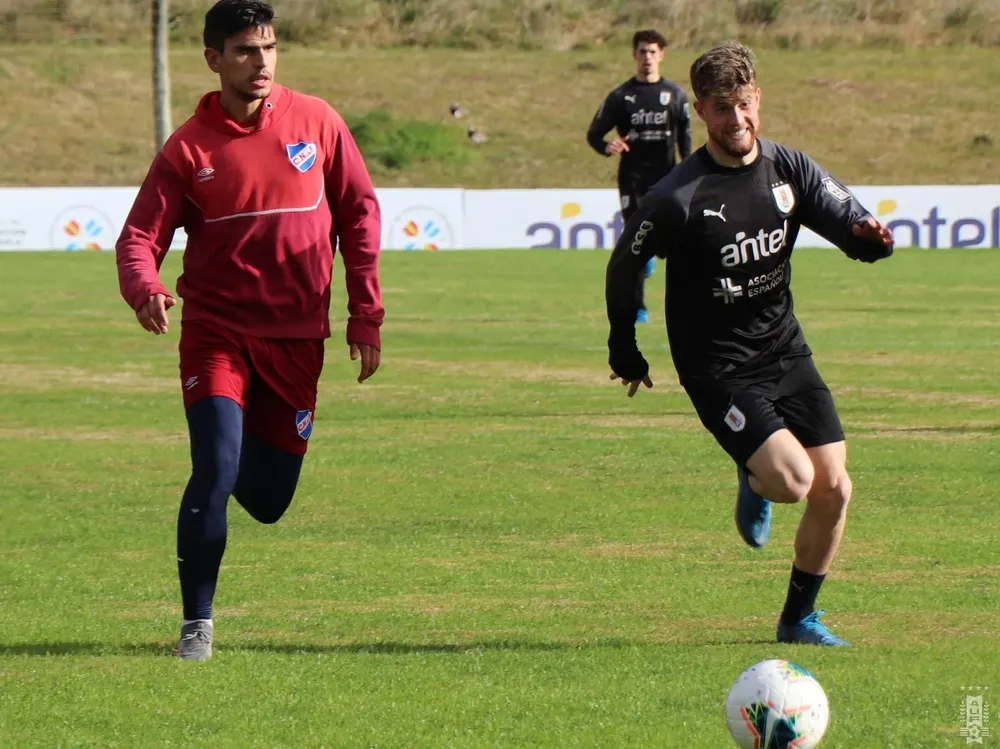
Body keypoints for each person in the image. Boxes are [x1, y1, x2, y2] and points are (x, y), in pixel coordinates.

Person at [115, 0, 384, 660]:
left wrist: (365, 310)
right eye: (243, 50)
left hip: (296, 338)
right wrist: (145, 286)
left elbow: (360, 214)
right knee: (214, 465)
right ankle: (196, 625)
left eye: (267, 48)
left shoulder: (317, 121)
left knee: (267, 500)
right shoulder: (188, 148)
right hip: (216, 334)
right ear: (214, 59)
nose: (260, 61)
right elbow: (138, 237)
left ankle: (235, 462)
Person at [604, 41, 894, 647]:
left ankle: (798, 620)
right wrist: (624, 347)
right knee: (790, 482)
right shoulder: (676, 197)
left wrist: (874, 240)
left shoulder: (790, 170)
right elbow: (623, 265)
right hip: (718, 367)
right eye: (719, 109)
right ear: (701, 114)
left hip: (784, 350)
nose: (734, 121)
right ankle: (754, 467)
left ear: (757, 99)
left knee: (835, 489)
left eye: (742, 105)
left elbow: (855, 230)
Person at [587, 29, 692, 324]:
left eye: (652, 51)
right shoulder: (621, 96)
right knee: (635, 243)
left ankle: (686, 305)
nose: (647, 57)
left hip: (668, 179)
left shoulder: (675, 95)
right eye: (642, 51)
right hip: (632, 180)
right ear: (634, 55)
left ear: (661, 55)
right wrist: (608, 146)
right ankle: (638, 308)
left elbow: (685, 138)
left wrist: (691, 173)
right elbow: (594, 133)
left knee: (677, 244)